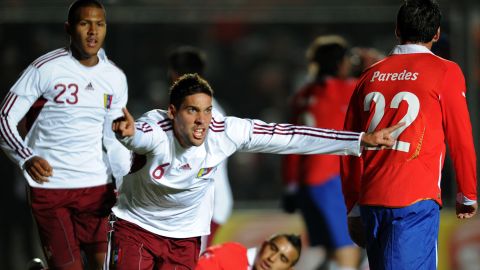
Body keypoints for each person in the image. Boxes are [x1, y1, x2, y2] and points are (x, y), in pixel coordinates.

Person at [107, 73, 401, 269]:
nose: (202, 120)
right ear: (172, 112)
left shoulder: (226, 132)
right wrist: (127, 135)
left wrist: (359, 140)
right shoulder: (155, 129)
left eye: (207, 110)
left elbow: (289, 136)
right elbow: (139, 135)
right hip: (137, 227)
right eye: (191, 110)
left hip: (185, 237)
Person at [341, 0, 478, 269]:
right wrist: (467, 194)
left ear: (397, 30)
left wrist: (354, 207)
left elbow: (349, 146)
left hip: (371, 200)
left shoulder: (369, 75)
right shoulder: (446, 71)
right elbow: (460, 137)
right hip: (414, 201)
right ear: (436, 33)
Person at [0, 0, 130, 269]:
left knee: (108, 266)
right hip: (52, 188)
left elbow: (111, 139)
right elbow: (4, 118)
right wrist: (26, 157)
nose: (93, 31)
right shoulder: (44, 69)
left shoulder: (115, 77)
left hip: (97, 188)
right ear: (69, 28)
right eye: (85, 24)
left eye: (100, 24)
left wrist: (125, 181)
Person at [282, 35, 361, 270]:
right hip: (333, 180)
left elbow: (290, 144)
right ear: (341, 63)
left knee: (329, 254)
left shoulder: (302, 96)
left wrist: (290, 186)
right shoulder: (349, 89)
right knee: (348, 254)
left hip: (307, 183)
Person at [167, 46, 233, 248]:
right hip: (201, 203)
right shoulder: (207, 109)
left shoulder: (204, 115)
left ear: (176, 77)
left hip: (205, 206)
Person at [196, 233, 302, 270]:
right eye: (273, 248)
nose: (272, 258)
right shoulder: (229, 254)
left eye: (283, 259)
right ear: (264, 245)